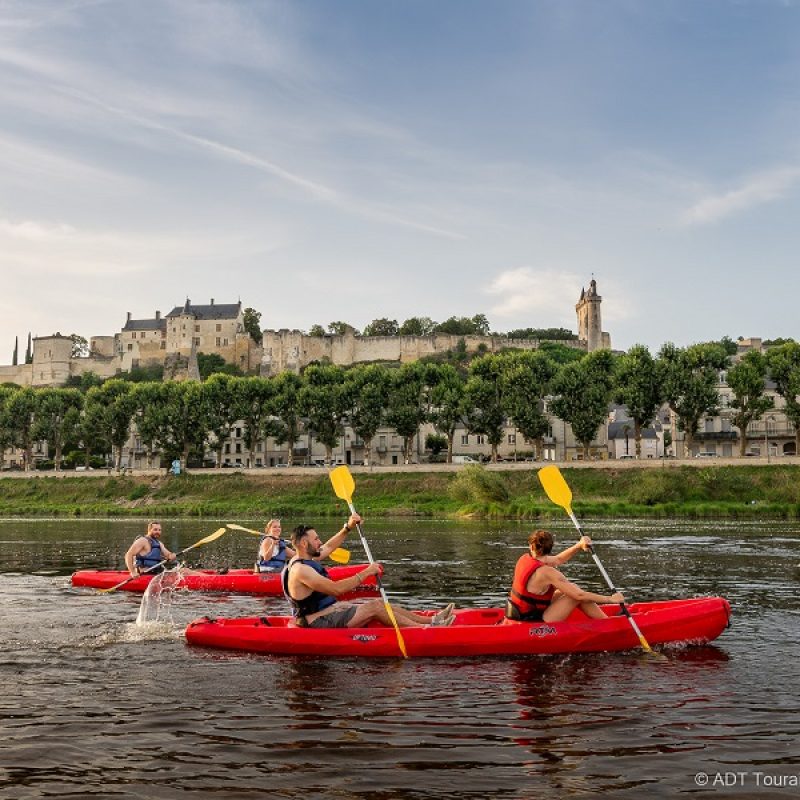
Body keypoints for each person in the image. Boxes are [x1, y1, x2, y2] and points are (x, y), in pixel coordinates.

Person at [283, 517, 455, 628]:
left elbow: (328, 546)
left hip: (327, 612)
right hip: (314, 623)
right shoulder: (301, 570)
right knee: (373, 607)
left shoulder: (308, 558)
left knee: (379, 603)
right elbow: (336, 590)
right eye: (316, 539)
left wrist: (348, 527)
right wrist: (365, 573)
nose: (320, 542)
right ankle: (425, 630)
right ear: (304, 544)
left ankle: (432, 620)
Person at [506, 529, 624, 623]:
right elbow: (579, 595)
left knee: (572, 587)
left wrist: (578, 545)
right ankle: (607, 623)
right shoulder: (547, 572)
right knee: (575, 595)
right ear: (550, 547)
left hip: (522, 612)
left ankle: (604, 620)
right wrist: (610, 599)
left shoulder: (525, 558)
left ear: (532, 546)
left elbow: (558, 559)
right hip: (532, 619)